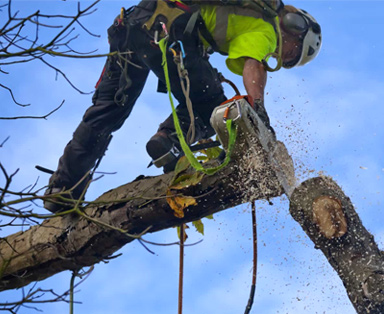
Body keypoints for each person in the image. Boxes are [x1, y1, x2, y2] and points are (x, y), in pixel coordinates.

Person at [43, 0, 322, 213]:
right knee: (215, 107)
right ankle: (170, 141)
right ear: (295, 31)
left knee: (105, 113)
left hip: (132, 26)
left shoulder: (246, 10)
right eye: (292, 53)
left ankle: (63, 188)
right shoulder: (266, 26)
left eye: (289, 59)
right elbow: (253, 64)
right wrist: (258, 110)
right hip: (170, 32)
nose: (284, 54)